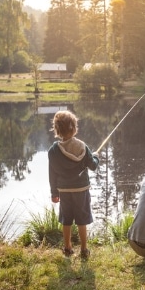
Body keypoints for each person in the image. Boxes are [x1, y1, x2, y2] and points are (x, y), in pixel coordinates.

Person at [48, 109, 99, 258]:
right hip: (81, 189)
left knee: (66, 219)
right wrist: (96, 157)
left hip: (64, 190)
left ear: (57, 130)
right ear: (75, 128)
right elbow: (93, 165)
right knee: (82, 219)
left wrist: (54, 193)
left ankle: (68, 248)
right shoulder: (83, 147)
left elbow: (52, 174)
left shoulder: (53, 151)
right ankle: (84, 249)